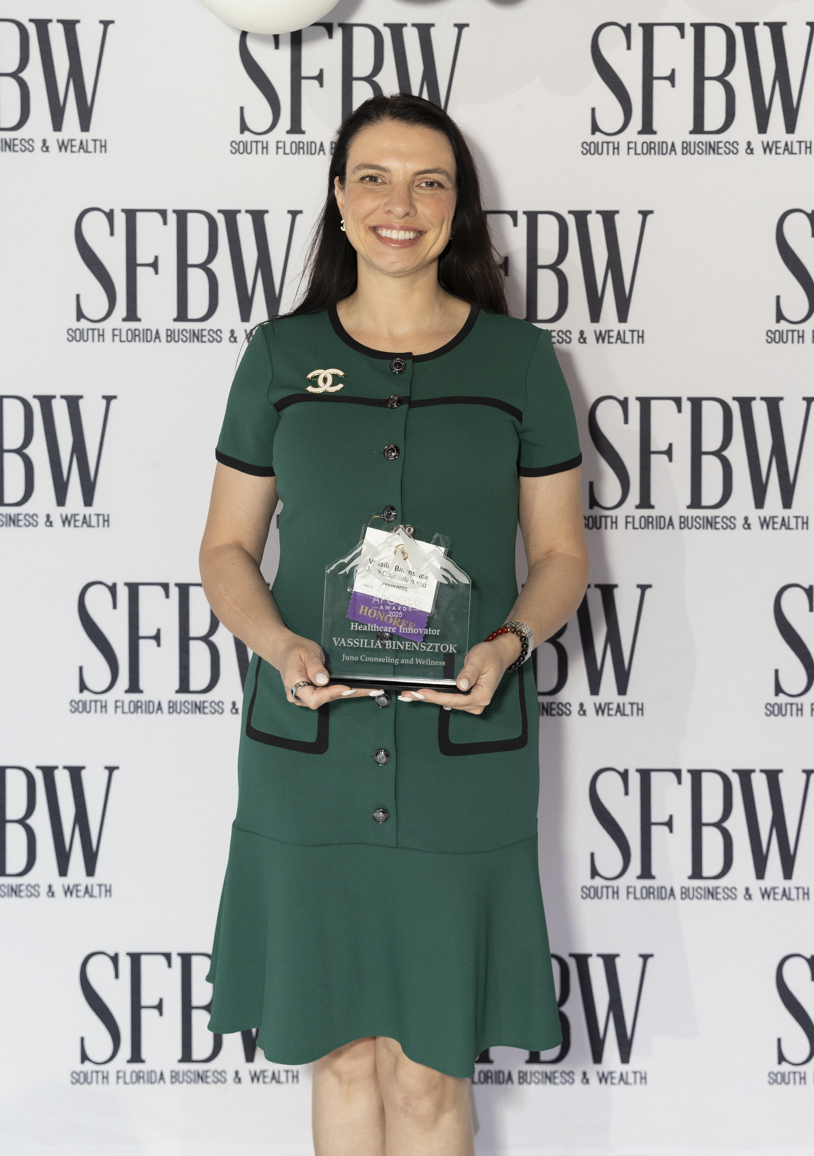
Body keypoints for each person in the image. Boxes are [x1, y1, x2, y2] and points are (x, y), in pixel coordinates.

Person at [199, 92, 589, 1156]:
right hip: (308, 755)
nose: (399, 204)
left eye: (429, 182)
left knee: (426, 1073)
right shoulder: (278, 357)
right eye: (373, 177)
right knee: (338, 1056)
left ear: (458, 207)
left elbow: (561, 557)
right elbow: (226, 549)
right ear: (338, 197)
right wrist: (278, 646)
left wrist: (508, 644)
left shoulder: (520, 361)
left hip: (463, 758)